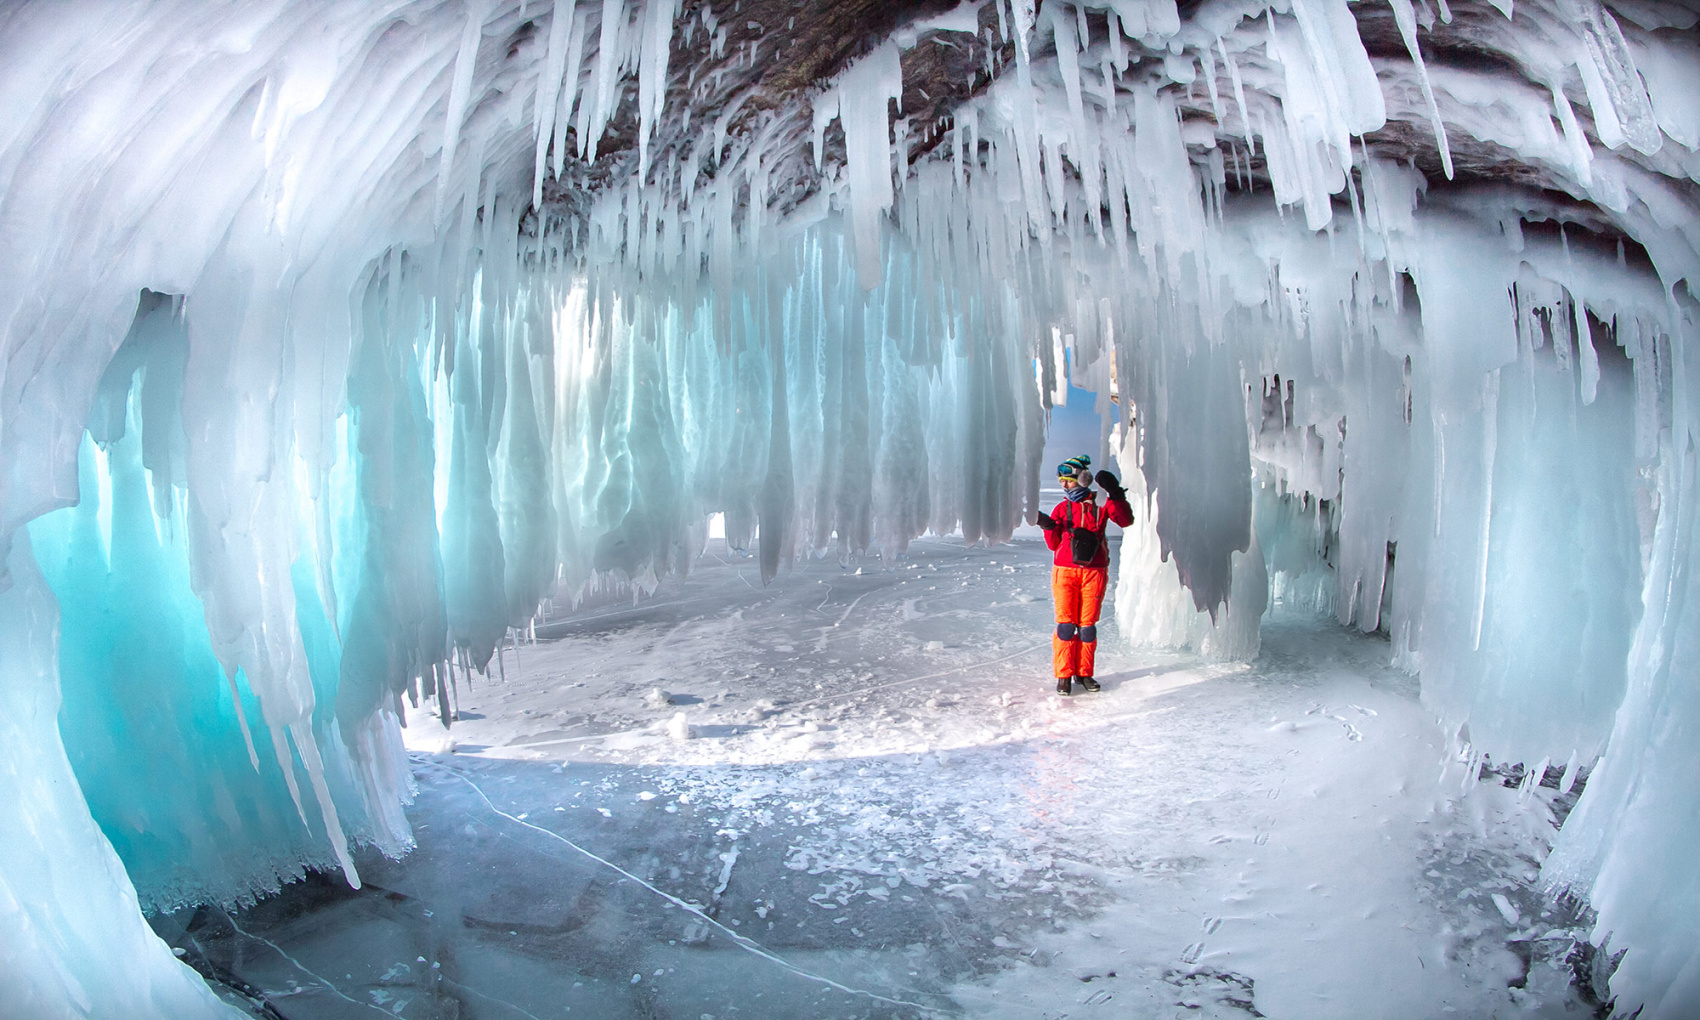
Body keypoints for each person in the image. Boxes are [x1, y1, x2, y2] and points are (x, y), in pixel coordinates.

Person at [1036, 456, 1133, 696]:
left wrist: (1116, 495)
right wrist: (1048, 526)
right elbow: (1054, 544)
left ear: (1083, 479)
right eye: (1061, 481)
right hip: (1065, 572)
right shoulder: (1062, 508)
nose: (1064, 485)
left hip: (1094, 572)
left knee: (1087, 627)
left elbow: (1125, 520)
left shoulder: (1101, 505)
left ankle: (1084, 673)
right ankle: (1064, 675)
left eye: (1067, 481)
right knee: (1066, 626)